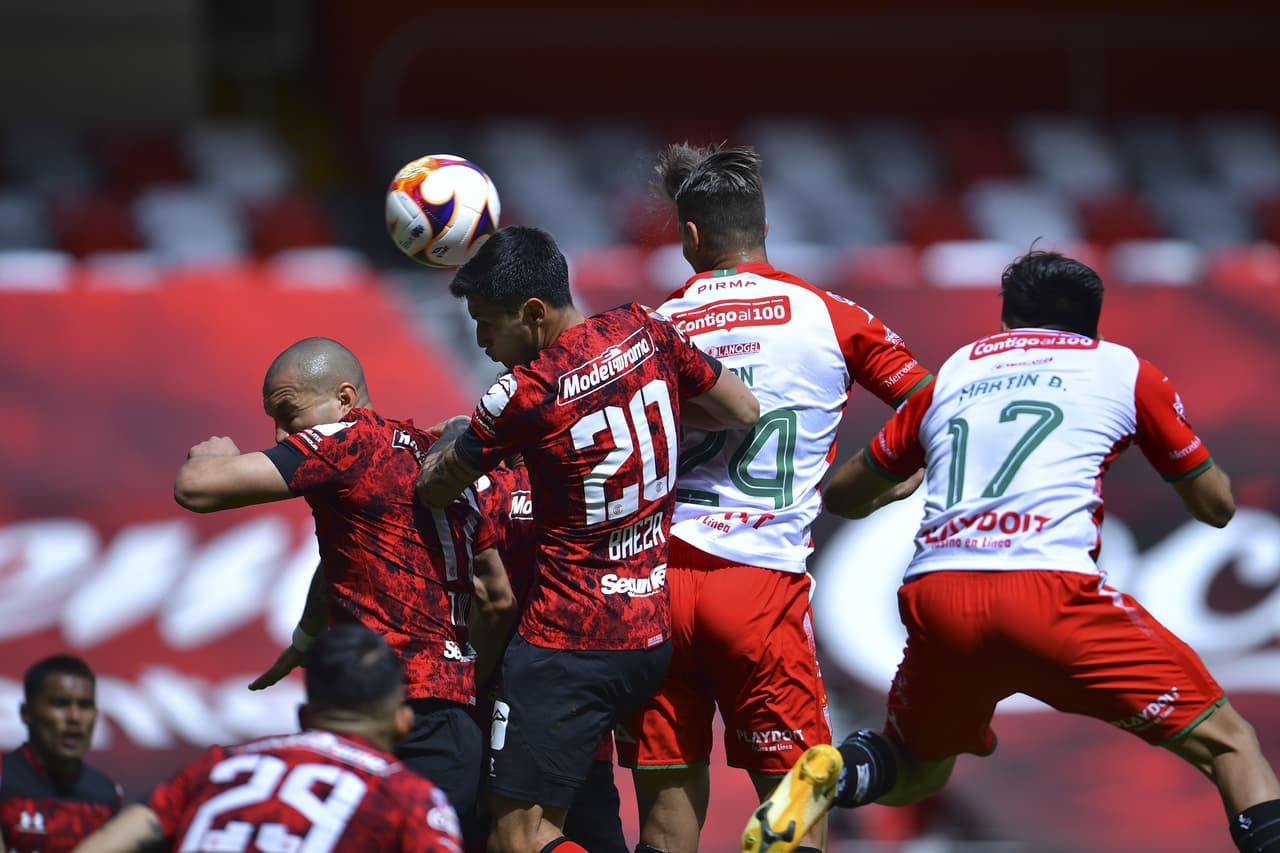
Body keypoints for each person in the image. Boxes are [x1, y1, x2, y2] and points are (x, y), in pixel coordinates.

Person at [747, 250, 1280, 853]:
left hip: (939, 598)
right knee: (1230, 742)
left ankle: (834, 774)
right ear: (1092, 323)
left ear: (1006, 320)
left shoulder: (953, 373)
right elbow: (1216, 509)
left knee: (917, 769)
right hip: (1051, 593)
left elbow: (843, 497)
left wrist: (905, 481)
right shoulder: (1122, 369)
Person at [615, 143, 933, 853]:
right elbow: (933, 401)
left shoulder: (654, 323)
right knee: (797, 808)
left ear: (691, 236)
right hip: (760, 585)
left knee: (665, 820)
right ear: (763, 226)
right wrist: (888, 472)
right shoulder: (829, 314)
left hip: (655, 584)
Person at [415, 225, 760, 853]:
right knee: (625, 814)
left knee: (514, 838)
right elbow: (742, 409)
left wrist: (458, 441)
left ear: (535, 312)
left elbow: (435, 489)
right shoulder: (645, 328)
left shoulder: (523, 395)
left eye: (488, 322)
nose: (482, 341)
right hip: (651, 630)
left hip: (566, 643)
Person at [171, 336, 514, 841]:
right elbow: (495, 594)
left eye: (288, 412)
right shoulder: (441, 456)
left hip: (376, 714)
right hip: (453, 722)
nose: (281, 432)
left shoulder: (348, 443)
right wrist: (309, 638)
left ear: (345, 400)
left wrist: (209, 456)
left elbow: (196, 488)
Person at [73, 624, 463, 853]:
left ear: (305, 717)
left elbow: (117, 838)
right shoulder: (408, 799)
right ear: (402, 722)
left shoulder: (220, 768)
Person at [471, 458, 628, 853]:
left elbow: (495, 603)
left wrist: (470, 687)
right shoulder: (602, 491)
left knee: (510, 837)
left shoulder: (483, 490)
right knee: (590, 826)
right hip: (583, 693)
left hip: (502, 702)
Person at [0, 656, 122, 853]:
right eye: (60, 704)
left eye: (84, 705)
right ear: (26, 713)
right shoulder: (3, 778)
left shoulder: (108, 794)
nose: (74, 717)